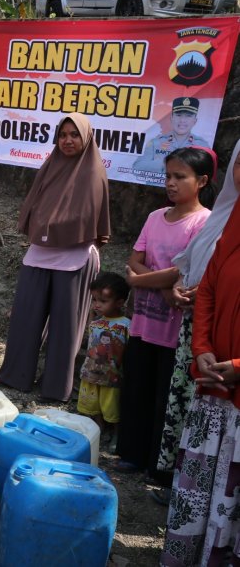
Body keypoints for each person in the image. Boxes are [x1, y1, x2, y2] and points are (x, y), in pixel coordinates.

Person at [0, 113, 110, 402]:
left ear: (86, 138)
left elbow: (87, 219)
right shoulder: (50, 166)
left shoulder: (93, 172)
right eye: (63, 134)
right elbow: (34, 206)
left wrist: (54, 227)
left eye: (74, 135)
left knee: (65, 328)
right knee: (25, 319)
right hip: (40, 254)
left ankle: (56, 387)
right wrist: (42, 228)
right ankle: (15, 375)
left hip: (75, 257)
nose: (68, 140)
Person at [115, 147, 213, 496]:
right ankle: (131, 454)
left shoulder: (205, 222)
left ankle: (160, 466)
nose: (171, 183)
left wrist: (140, 281)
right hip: (144, 322)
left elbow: (183, 270)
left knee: (165, 398)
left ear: (201, 181)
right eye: (168, 175)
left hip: (175, 331)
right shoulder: (156, 217)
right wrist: (160, 284)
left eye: (180, 177)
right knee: (137, 388)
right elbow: (135, 258)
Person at [160, 144, 240, 567]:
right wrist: (204, 350)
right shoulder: (230, 223)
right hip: (211, 381)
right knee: (201, 487)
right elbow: (207, 288)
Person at [76, 272, 130, 448]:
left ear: (120, 302)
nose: (97, 305)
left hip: (111, 376)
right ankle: (99, 429)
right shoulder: (96, 321)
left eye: (103, 301)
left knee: (111, 407)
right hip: (91, 372)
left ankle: (116, 434)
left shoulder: (125, 324)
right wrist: (92, 316)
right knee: (93, 404)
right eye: (94, 300)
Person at [133, 97, 211, 177]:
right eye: (178, 115)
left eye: (188, 116)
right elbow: (137, 167)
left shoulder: (202, 146)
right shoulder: (156, 142)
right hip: (155, 189)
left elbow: (206, 172)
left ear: (195, 121)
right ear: (172, 118)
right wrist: (168, 165)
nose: (182, 120)